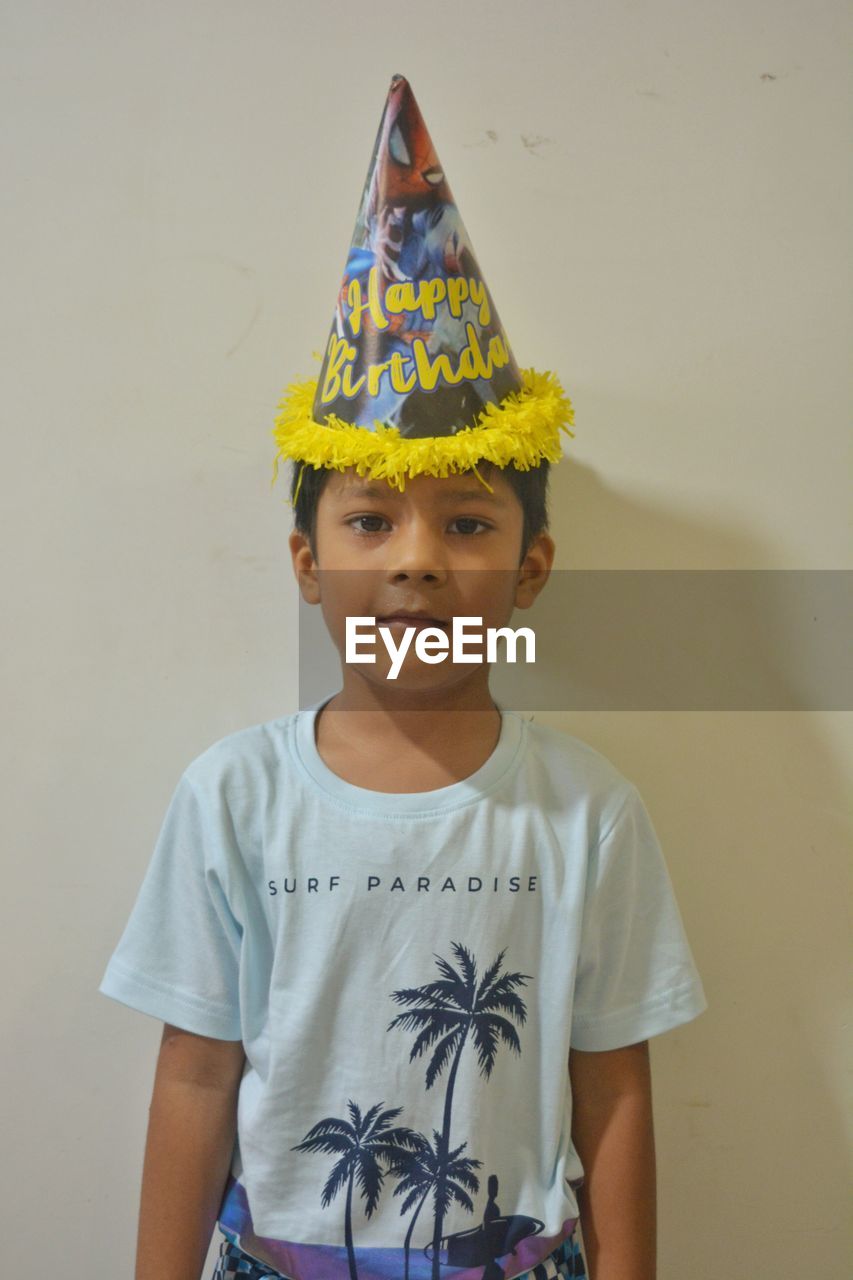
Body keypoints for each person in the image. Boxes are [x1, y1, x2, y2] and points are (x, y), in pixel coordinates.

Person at [99, 75, 707, 1280]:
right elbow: (197, 1069)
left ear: (532, 569)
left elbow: (613, 1087)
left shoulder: (590, 812)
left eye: (468, 526)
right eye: (370, 521)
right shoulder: (234, 796)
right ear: (305, 565)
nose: (418, 561)